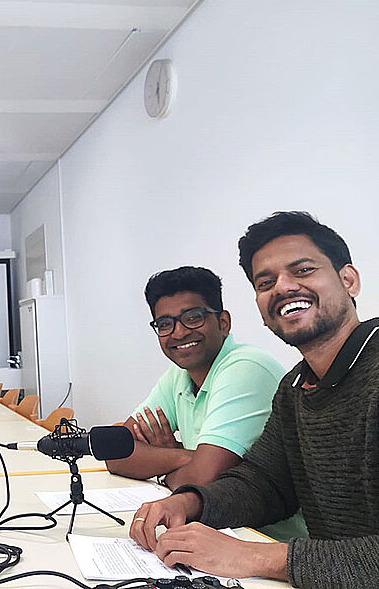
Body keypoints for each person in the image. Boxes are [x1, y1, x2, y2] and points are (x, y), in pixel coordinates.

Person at [130, 211, 379, 587]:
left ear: (349, 280)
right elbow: (264, 483)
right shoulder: (296, 387)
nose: (283, 287)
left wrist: (254, 556)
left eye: (303, 270)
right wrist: (189, 502)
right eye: (266, 282)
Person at [106, 266, 284, 491]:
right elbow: (115, 453)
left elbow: (203, 480)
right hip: (210, 519)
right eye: (164, 324)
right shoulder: (178, 375)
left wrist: (165, 466)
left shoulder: (247, 367)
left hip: (262, 526)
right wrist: (185, 456)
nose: (179, 333)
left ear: (223, 323)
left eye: (193, 317)